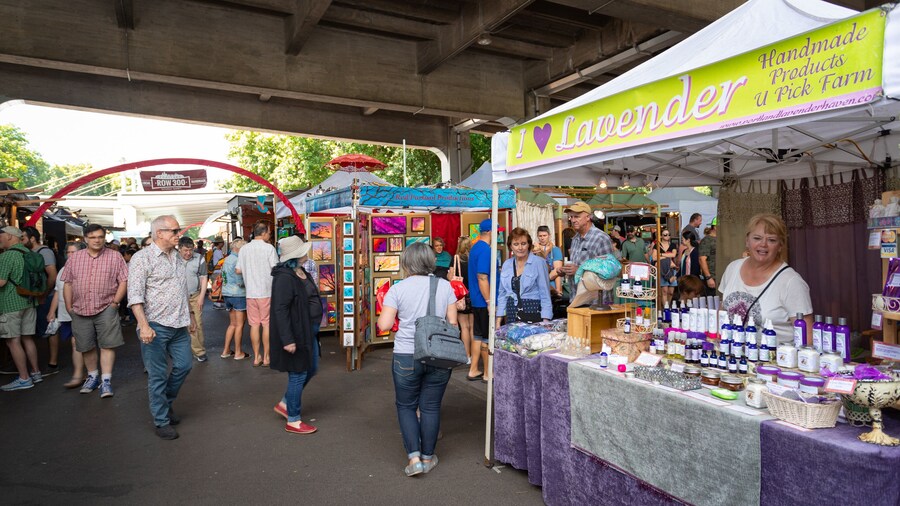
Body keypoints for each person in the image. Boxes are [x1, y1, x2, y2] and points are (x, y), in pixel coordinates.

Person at [377, 242, 457, 477]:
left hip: (406, 353)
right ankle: (428, 456)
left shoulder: (397, 289)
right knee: (431, 406)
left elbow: (383, 325)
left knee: (406, 406)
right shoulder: (444, 286)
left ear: (406, 262)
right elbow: (452, 322)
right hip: (439, 354)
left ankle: (414, 459)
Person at [128, 215, 197, 440]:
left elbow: (182, 289)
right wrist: (143, 326)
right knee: (157, 375)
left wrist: (192, 315)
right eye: (174, 230)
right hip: (155, 326)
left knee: (185, 366)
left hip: (179, 324)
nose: (179, 234)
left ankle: (164, 403)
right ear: (159, 233)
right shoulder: (142, 258)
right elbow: (135, 296)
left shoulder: (176, 257)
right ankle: (161, 420)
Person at [60, 224, 128, 398]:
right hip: (80, 308)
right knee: (85, 345)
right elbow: (67, 283)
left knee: (107, 344)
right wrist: (69, 307)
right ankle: (92, 376)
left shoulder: (114, 256)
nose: (97, 240)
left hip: (106, 306)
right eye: (92, 237)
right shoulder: (75, 258)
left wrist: (115, 302)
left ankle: (106, 381)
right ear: (85, 239)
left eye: (100, 236)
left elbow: (124, 280)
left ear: (104, 237)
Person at [719, 213, 813, 340]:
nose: (763, 244)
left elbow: (807, 336)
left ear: (780, 246)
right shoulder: (733, 268)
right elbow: (723, 311)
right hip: (733, 354)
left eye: (771, 240)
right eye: (757, 238)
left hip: (776, 357)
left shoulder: (791, 282)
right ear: (747, 241)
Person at [269, 236, 321, 435]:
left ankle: (285, 403)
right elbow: (280, 309)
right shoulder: (284, 277)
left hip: (309, 329)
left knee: (311, 368)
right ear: (296, 255)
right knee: (298, 373)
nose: (307, 252)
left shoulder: (300, 271)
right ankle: (293, 419)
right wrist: (288, 339)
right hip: (297, 332)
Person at [0, 227, 42, 391]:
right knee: (27, 339)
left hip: (11, 303)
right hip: (29, 302)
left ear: (9, 236)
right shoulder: (29, 253)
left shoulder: (7, 256)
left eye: (1, 235)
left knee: (12, 341)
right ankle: (36, 372)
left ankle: (24, 378)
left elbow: (1, 282)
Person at [236, 220, 278, 367]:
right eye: (269, 232)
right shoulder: (269, 249)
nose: (270, 235)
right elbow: (275, 269)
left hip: (250, 293)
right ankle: (267, 357)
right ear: (264, 232)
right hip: (266, 292)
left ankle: (256, 357)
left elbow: (238, 269)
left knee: (254, 325)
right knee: (266, 324)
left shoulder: (244, 249)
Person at [48, 241, 88, 389]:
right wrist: (52, 312)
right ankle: (85, 373)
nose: (70, 255)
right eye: (68, 253)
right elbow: (58, 292)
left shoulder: (84, 269)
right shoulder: (63, 270)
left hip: (79, 313)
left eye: (74, 252)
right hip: (65, 314)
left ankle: (78, 375)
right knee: (78, 344)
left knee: (76, 343)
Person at [557, 201, 614, 305]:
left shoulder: (601, 238)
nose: (573, 220)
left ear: (588, 217)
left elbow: (609, 272)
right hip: (577, 299)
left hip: (597, 303)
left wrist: (578, 270)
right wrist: (565, 270)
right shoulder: (575, 239)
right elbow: (576, 267)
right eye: (571, 217)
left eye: (577, 216)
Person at [22, 226, 59, 375]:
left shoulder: (45, 252)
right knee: (41, 329)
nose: (21, 241)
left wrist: (44, 294)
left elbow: (52, 275)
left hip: (46, 297)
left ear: (32, 238)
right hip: (36, 296)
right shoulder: (30, 252)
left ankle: (53, 363)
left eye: (23, 238)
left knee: (50, 329)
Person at [497, 228, 552, 326]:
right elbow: (502, 294)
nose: (520, 248)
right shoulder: (507, 264)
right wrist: (498, 320)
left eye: (523, 243)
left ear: (529, 245)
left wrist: (546, 320)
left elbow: (545, 293)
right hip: (511, 313)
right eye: (516, 244)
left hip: (532, 311)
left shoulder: (538, 262)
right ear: (510, 246)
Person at [467, 219, 496, 381]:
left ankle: (473, 370)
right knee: (486, 337)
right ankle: (487, 373)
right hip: (483, 300)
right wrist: (489, 301)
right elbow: (482, 276)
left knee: (478, 336)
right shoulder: (485, 250)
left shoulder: (476, 247)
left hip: (477, 299)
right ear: (490, 232)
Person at [177, 237, 208, 362]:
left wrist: (201, 297)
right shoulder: (173, 258)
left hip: (194, 296)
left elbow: (204, 278)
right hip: (177, 297)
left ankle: (199, 351)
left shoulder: (199, 258)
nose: (188, 253)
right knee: (180, 325)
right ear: (179, 249)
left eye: (190, 250)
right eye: (185, 250)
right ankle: (183, 351)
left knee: (197, 323)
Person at [451, 237, 476, 375]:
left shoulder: (456, 259)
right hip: (473, 296)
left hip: (461, 297)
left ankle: (467, 356)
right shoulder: (473, 259)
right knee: (473, 327)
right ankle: (475, 354)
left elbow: (450, 277)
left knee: (464, 327)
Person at [221, 239, 249, 360]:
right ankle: (238, 352)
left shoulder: (227, 259)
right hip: (238, 295)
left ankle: (226, 350)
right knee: (240, 325)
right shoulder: (238, 260)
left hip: (227, 293)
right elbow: (239, 282)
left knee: (232, 324)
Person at [651, 228, 678, 307]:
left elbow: (673, 255)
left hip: (671, 270)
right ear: (661, 236)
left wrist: (661, 255)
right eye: (665, 235)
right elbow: (654, 258)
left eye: (668, 234)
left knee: (671, 291)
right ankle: (665, 308)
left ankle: (667, 306)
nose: (667, 236)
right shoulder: (657, 245)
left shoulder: (672, 245)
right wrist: (667, 257)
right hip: (662, 270)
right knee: (664, 291)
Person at [533, 225, 563, 294]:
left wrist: (558, 289)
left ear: (549, 235)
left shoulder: (555, 250)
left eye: (544, 235)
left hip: (551, 286)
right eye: (540, 236)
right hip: (536, 287)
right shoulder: (534, 250)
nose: (542, 238)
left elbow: (557, 271)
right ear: (537, 236)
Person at [698, 222, 718, 295]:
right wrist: (708, 277)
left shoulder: (722, 240)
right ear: (715, 227)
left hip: (721, 277)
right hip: (712, 277)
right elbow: (702, 259)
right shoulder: (706, 240)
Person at [208, 236, 226, 310]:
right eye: (222, 242)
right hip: (217, 271)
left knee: (217, 287)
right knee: (217, 288)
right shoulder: (218, 251)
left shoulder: (215, 250)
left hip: (215, 271)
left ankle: (217, 303)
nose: (223, 243)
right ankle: (216, 304)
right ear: (219, 243)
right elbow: (221, 261)